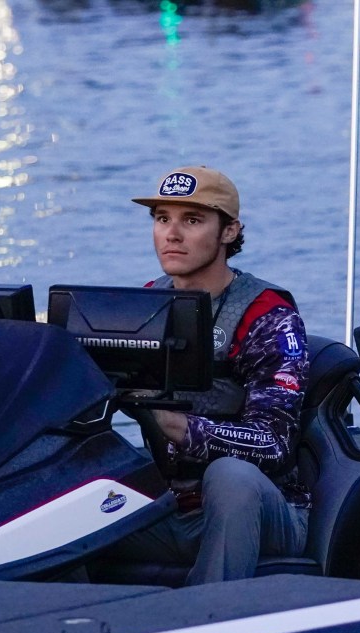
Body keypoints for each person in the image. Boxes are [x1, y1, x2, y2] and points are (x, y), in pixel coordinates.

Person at [112, 165, 310, 585]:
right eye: (162, 218)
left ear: (229, 231)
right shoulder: (144, 305)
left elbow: (274, 444)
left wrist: (180, 427)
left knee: (230, 474)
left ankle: (209, 617)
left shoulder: (268, 315)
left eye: (192, 220)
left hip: (265, 510)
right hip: (169, 509)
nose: (171, 234)